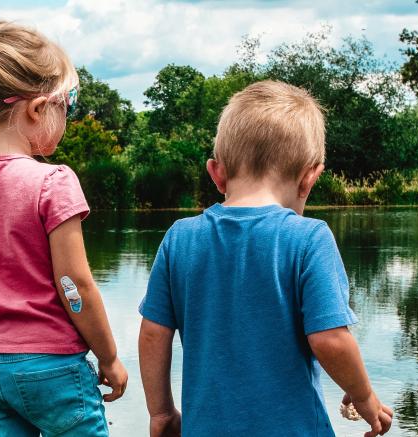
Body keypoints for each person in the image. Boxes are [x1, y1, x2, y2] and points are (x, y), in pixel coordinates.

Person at [138, 80, 394, 436]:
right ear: (310, 178)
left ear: (217, 173)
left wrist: (161, 412)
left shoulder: (180, 238)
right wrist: (364, 396)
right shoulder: (309, 238)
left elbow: (153, 333)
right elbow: (330, 339)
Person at [0, 20, 128, 437]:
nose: (69, 112)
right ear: (36, 109)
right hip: (53, 369)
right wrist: (108, 357)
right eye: (67, 102)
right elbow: (74, 284)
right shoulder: (53, 182)